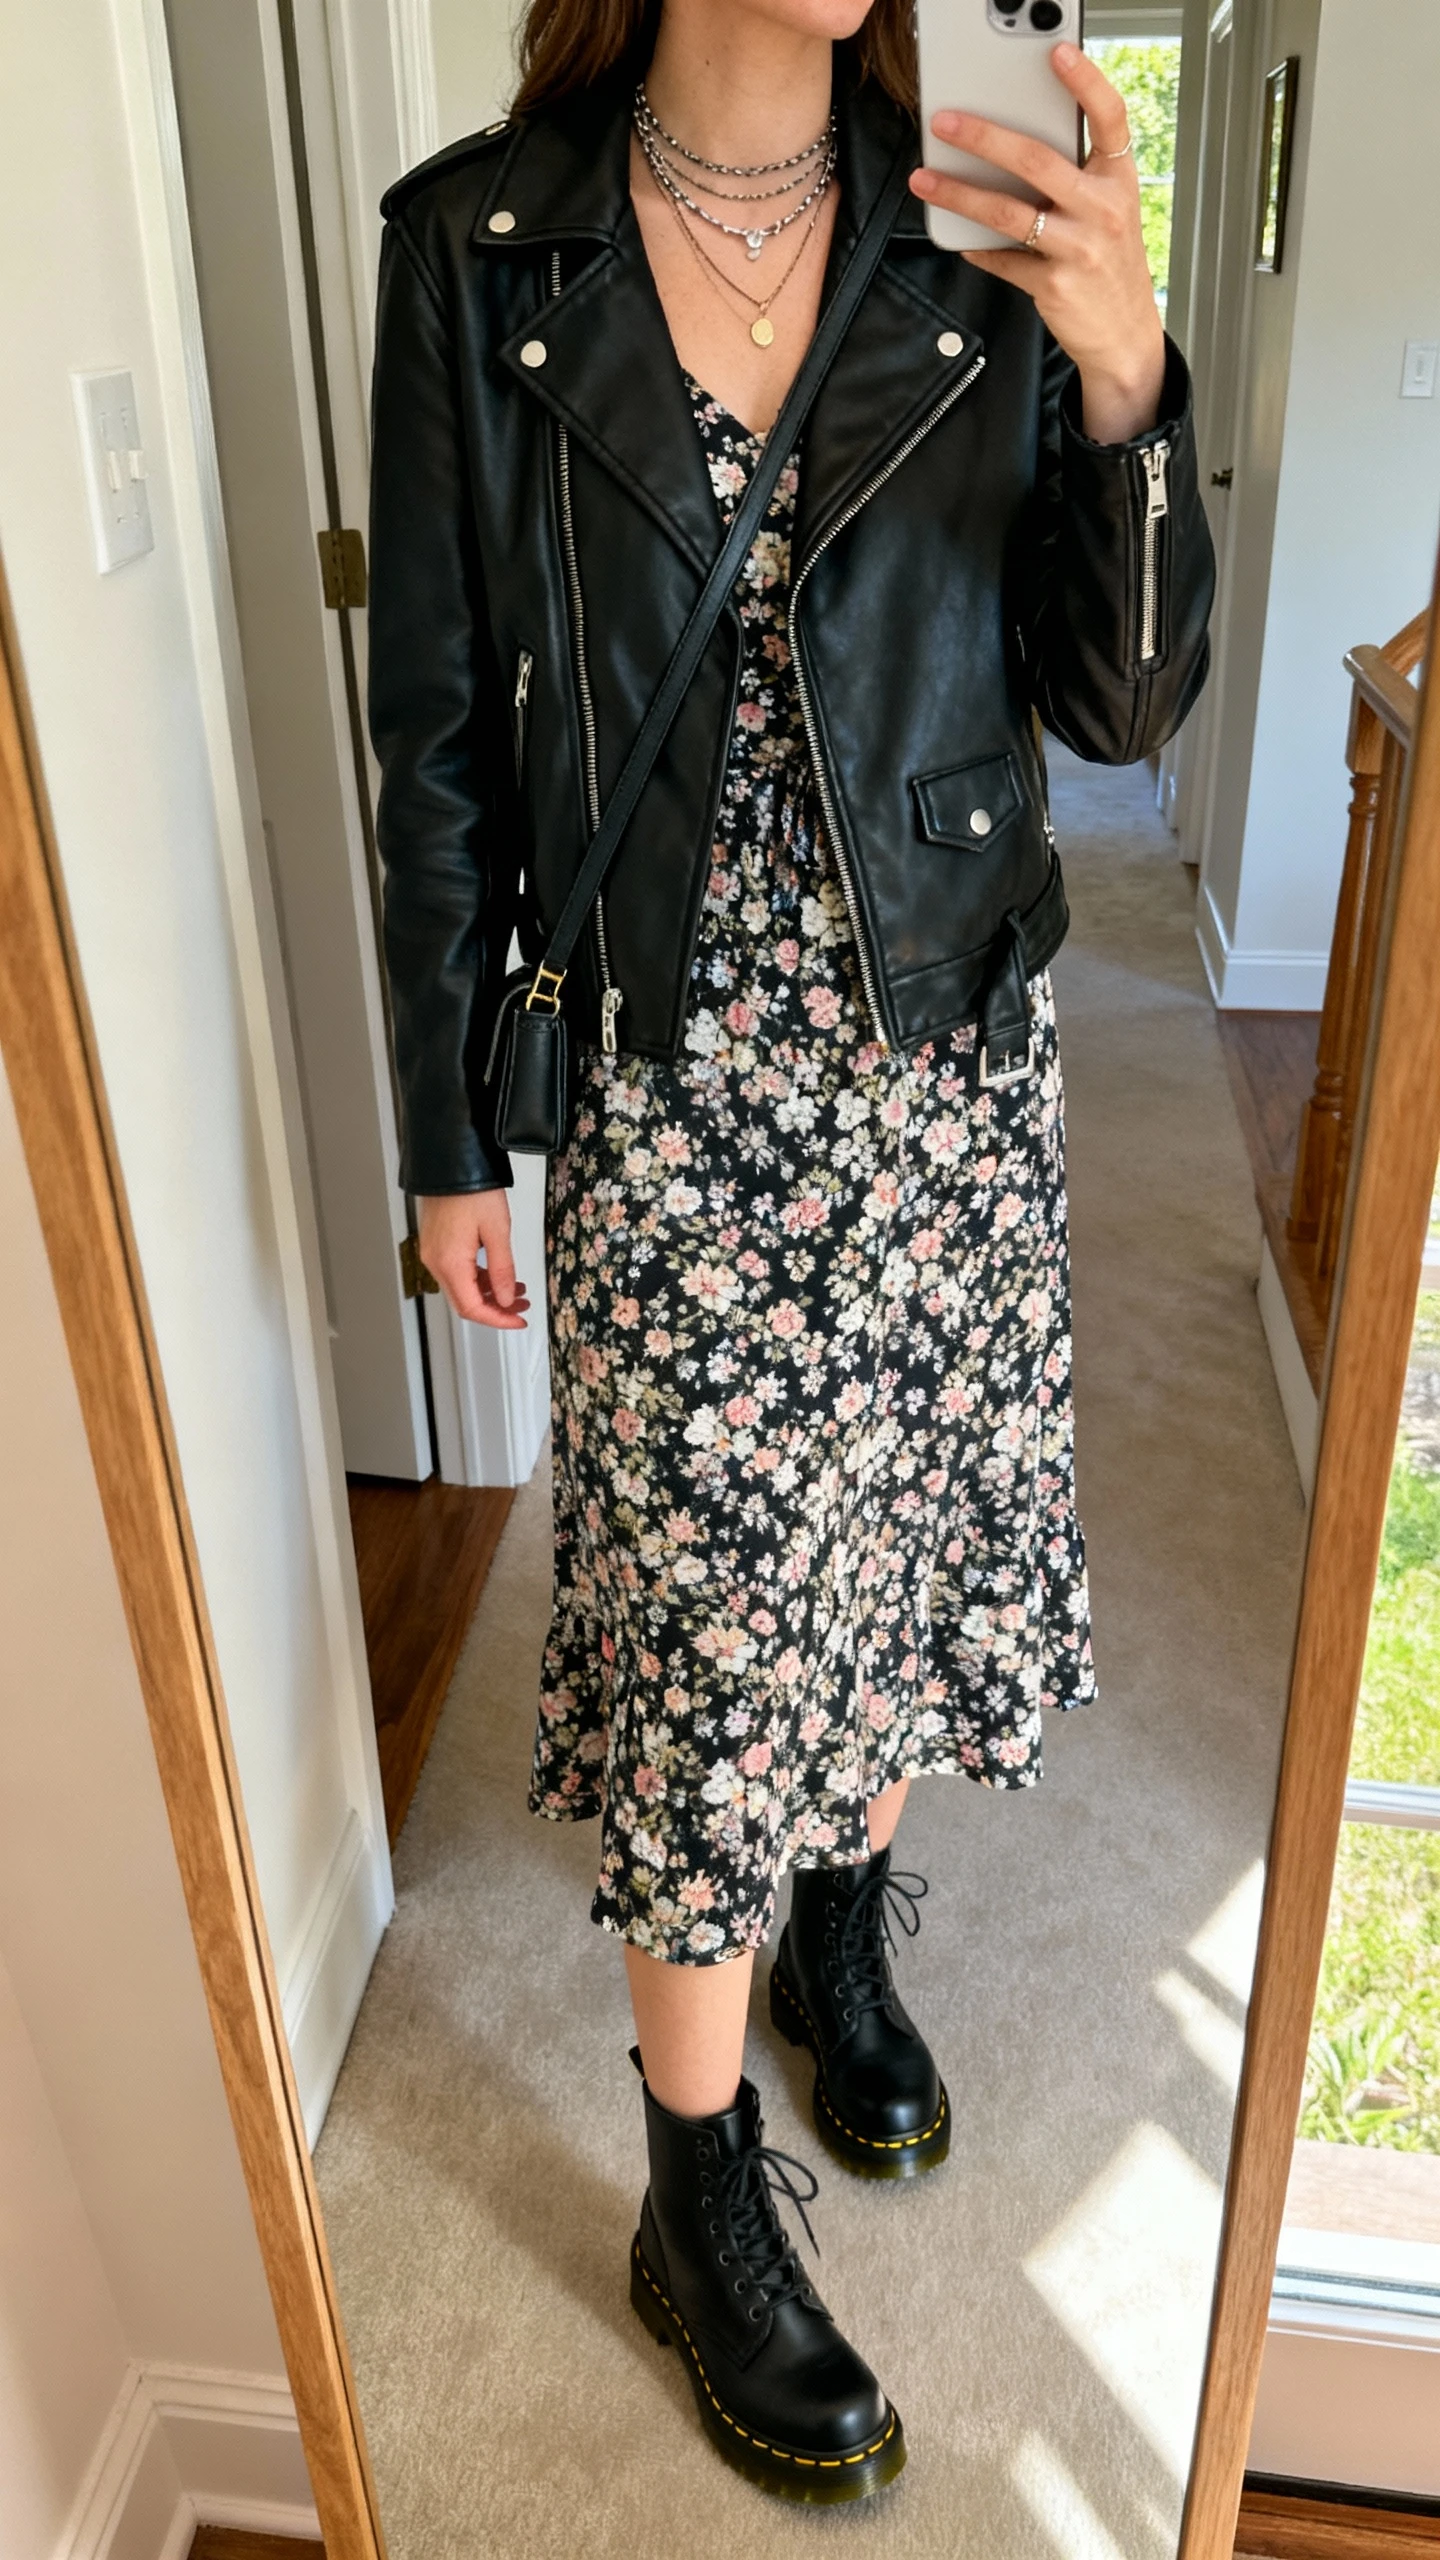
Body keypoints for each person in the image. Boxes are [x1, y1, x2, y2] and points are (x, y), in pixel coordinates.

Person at [367, 0, 1212, 2503]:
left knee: (895, 1545)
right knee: (719, 1630)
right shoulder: (474, 249)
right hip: (671, 1064)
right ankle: (695, 2184)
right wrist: (444, 1141)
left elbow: (1118, 693)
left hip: (944, 1041)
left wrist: (1128, 374)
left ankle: (854, 1916)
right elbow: (427, 729)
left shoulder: (977, 235)